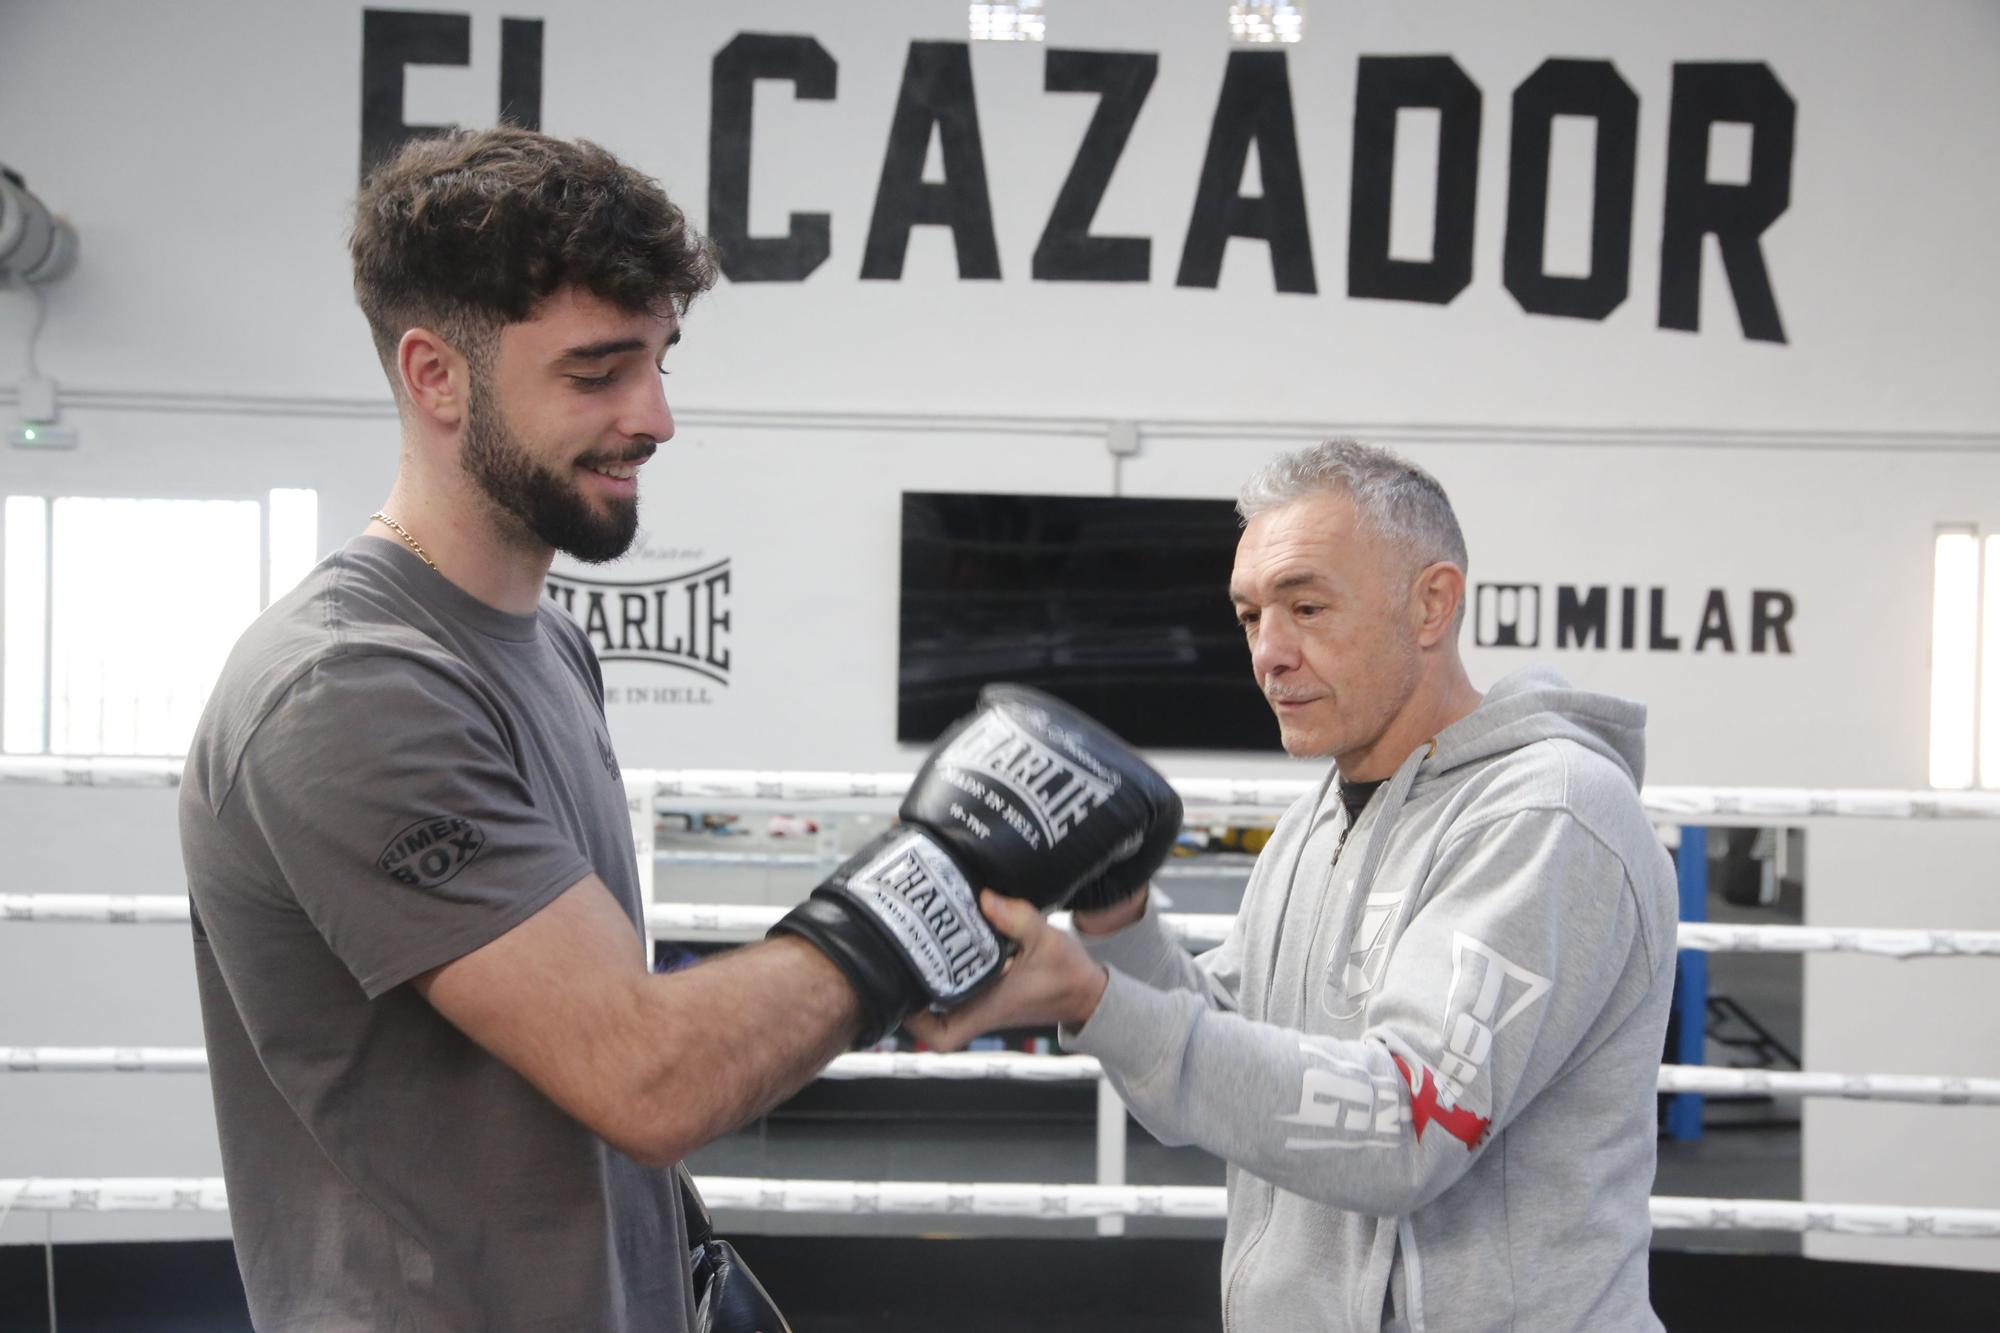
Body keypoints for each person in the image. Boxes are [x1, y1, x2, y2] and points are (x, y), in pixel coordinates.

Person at [180, 125, 1178, 1332]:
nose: (655, 416)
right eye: (598, 371)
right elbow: (647, 1074)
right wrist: (945, 873)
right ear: (436, 375)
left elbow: (589, 1058)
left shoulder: (544, 645)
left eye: (659, 359)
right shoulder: (346, 689)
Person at [911, 440, 1680, 1333]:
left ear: (1431, 604)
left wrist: (1093, 995)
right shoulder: (1320, 819)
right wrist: (1116, 918)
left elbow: (1406, 1127)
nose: (1269, 653)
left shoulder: (1553, 812)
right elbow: (1218, 1063)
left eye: (1307, 606)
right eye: (1250, 617)